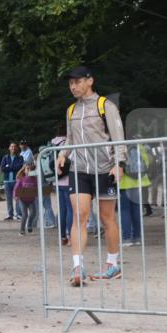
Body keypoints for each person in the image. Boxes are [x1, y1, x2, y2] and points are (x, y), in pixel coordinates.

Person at [56, 66, 127, 285]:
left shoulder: (105, 106)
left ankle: (113, 264)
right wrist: (62, 153)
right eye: (70, 83)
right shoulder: (70, 110)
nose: (73, 86)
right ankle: (78, 267)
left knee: (107, 218)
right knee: (80, 215)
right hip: (80, 169)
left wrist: (120, 163)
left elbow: (118, 136)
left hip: (106, 169)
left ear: (90, 81)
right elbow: (70, 138)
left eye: (77, 82)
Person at [119, 143, 151, 247]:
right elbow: (147, 163)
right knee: (137, 210)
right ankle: (138, 238)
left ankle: (127, 238)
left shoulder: (119, 145)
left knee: (125, 211)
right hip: (140, 182)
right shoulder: (140, 145)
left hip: (123, 182)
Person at [0, 142, 24, 220]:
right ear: (9, 148)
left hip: (16, 181)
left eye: (14, 146)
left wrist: (9, 167)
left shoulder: (20, 157)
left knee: (17, 198)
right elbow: (2, 168)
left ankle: (18, 214)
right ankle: (10, 214)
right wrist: (12, 167)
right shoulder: (5, 157)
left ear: (16, 148)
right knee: (9, 198)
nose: (13, 148)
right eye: (11, 146)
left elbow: (19, 167)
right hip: (7, 181)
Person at [14, 163, 39, 235]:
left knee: (33, 214)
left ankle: (29, 225)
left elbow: (37, 189)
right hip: (22, 200)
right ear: (24, 170)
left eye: (31, 169)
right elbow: (16, 188)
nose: (29, 170)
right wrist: (16, 196)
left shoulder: (35, 179)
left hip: (31, 200)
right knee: (25, 215)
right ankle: (22, 230)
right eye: (27, 169)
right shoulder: (21, 179)